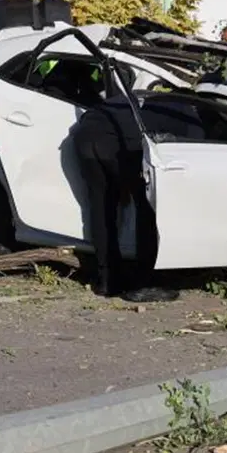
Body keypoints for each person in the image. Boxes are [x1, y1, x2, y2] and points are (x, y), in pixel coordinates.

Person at [69, 87, 179, 304]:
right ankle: (143, 284)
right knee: (148, 207)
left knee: (101, 207)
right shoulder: (187, 114)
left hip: (85, 133)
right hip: (120, 140)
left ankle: (106, 281)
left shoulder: (146, 97)